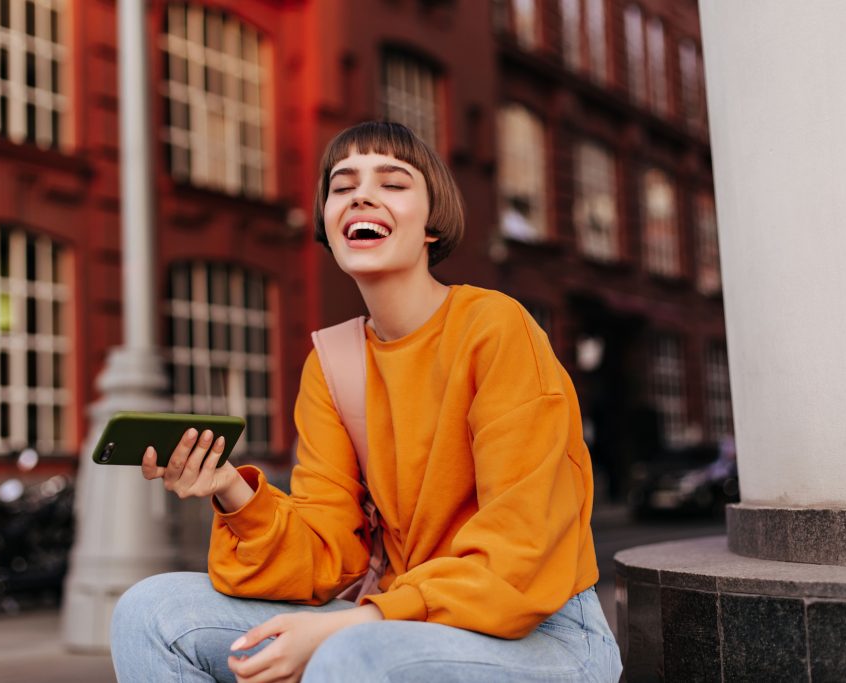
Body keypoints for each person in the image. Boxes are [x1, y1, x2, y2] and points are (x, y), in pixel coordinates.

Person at [110, 121, 622, 683]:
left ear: (432, 223)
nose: (361, 194)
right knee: (151, 612)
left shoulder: (494, 328)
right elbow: (331, 554)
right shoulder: (334, 363)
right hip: (399, 616)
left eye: (393, 182)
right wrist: (232, 491)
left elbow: (522, 550)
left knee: (350, 656)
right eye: (343, 184)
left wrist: (351, 625)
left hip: (543, 631)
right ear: (330, 224)